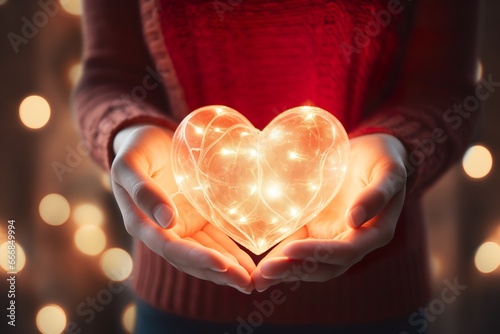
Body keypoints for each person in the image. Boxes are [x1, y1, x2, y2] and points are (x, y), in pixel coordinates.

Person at [73, 0, 479, 333]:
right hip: (179, 304)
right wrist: (128, 132)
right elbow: (109, 73)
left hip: (375, 306)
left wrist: (397, 146)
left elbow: (444, 86)